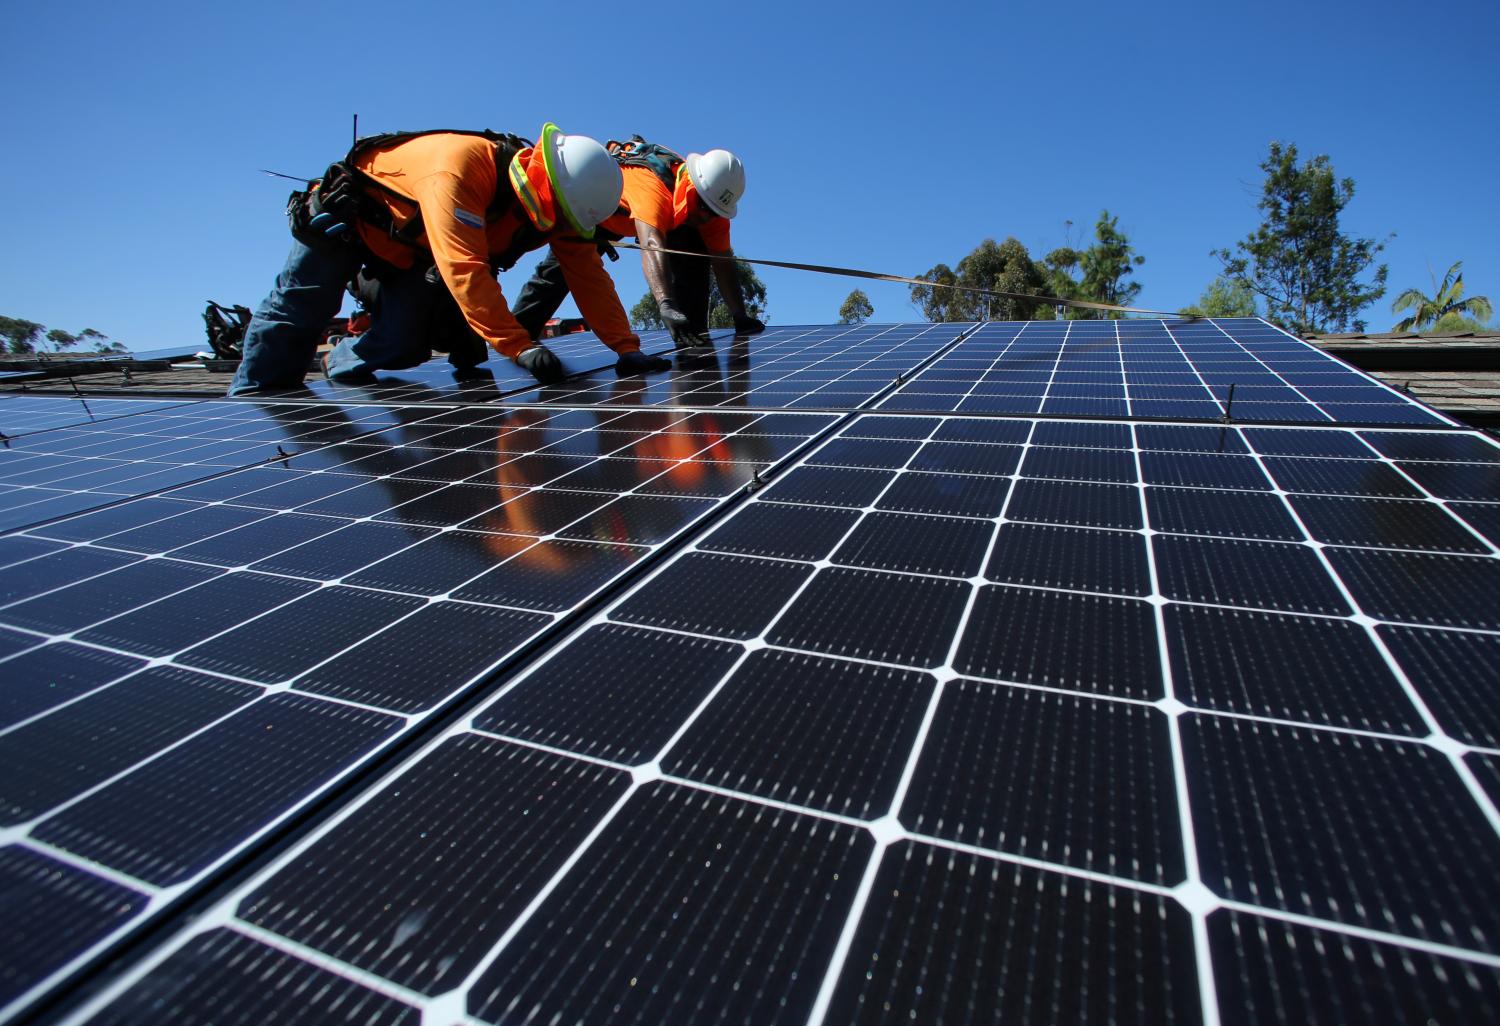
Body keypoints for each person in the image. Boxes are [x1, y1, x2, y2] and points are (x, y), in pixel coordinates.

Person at [229, 124, 670, 395]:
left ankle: (337, 365)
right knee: (299, 311)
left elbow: (588, 278)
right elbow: (464, 269)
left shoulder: (566, 211)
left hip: (411, 256)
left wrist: (627, 350)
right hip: (345, 225)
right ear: (546, 186)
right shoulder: (460, 168)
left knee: (405, 344)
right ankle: (251, 405)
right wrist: (521, 348)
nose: (559, 232)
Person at [510, 137, 766, 349]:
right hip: (595, 212)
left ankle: (692, 338)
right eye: (702, 206)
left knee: (694, 252)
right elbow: (652, 245)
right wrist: (666, 304)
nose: (705, 215)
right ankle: (517, 339)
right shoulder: (652, 188)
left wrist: (739, 315)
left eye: (713, 211)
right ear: (692, 185)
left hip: (644, 222)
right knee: (556, 276)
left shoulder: (713, 210)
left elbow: (723, 262)